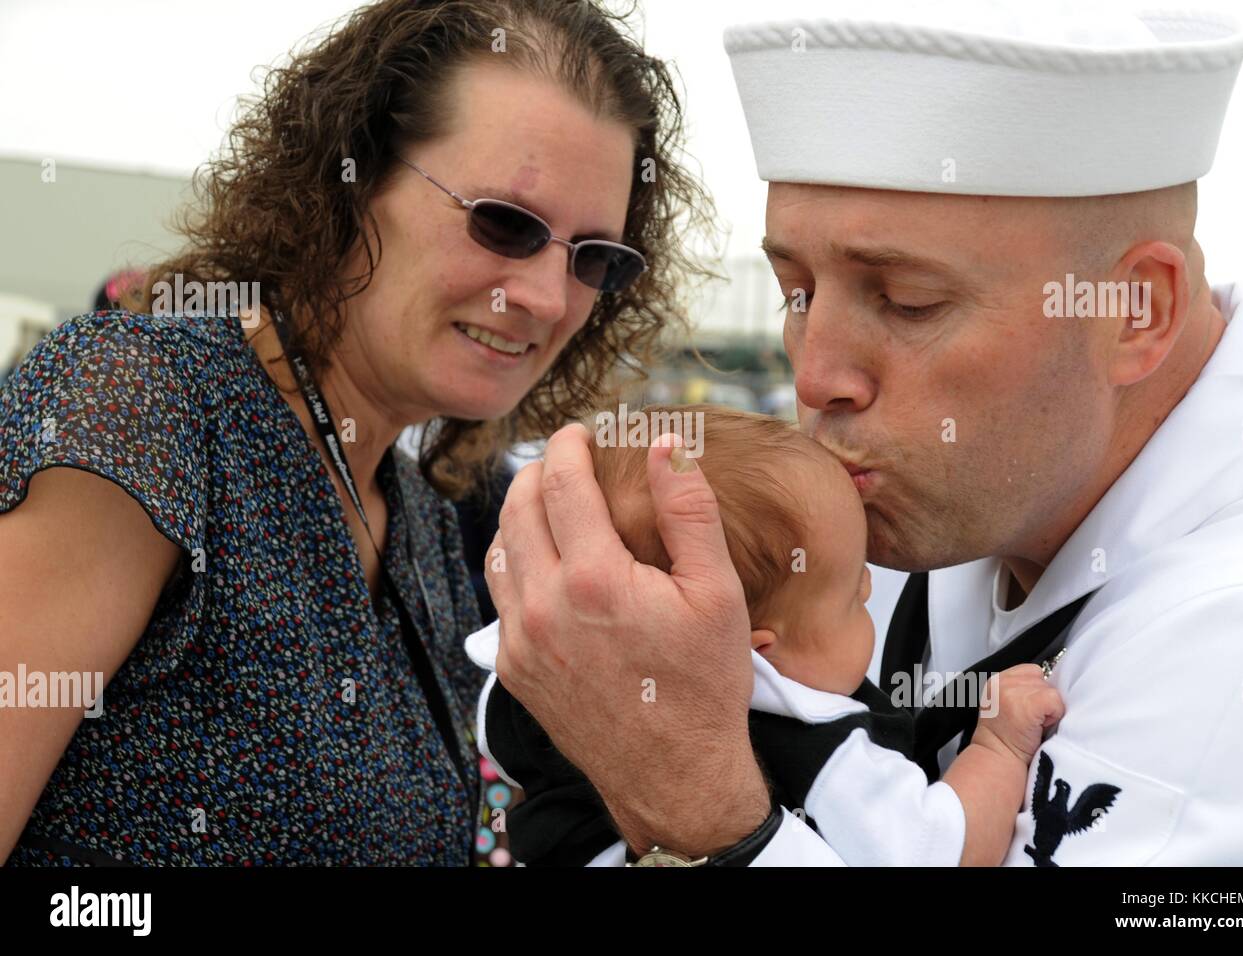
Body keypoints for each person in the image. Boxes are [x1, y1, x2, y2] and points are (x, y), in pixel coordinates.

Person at [484, 4, 1243, 865]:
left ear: (1137, 312)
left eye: (909, 302)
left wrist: (703, 809)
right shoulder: (944, 495)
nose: (813, 375)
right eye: (797, 292)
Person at [0, 0, 714, 866]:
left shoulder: (420, 521)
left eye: (595, 257)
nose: (546, 298)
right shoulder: (145, 407)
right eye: (504, 222)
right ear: (349, 180)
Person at [466, 405, 1067, 866]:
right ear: (756, 652)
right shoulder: (818, 743)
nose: (868, 594)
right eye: (850, 599)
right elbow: (940, 848)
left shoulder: (531, 690)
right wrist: (999, 749)